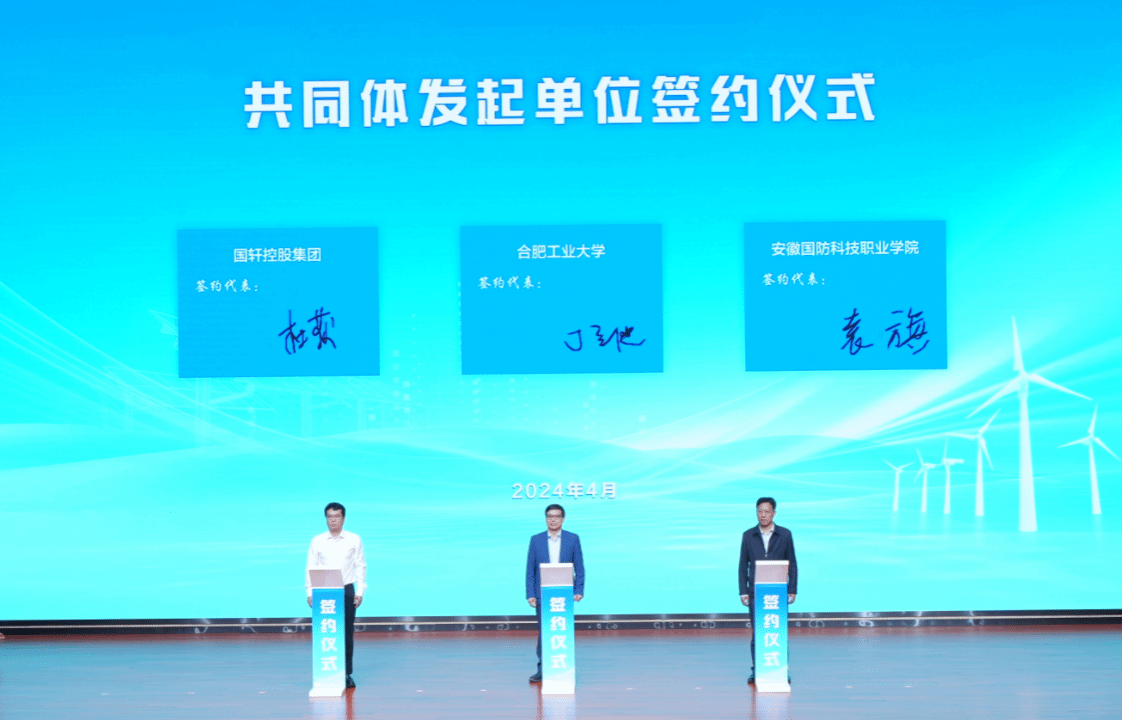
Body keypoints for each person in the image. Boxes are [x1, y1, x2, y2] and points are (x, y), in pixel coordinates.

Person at [306, 502, 366, 689]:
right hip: (324, 591)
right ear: (326, 519)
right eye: (329, 517)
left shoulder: (354, 539)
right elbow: (311, 566)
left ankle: (346, 674)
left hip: (346, 590)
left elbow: (360, 566)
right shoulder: (317, 541)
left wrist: (360, 591)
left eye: (337, 516)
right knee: (326, 632)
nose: (333, 520)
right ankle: (327, 673)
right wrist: (309, 591)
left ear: (344, 518)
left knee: (346, 633)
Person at [738, 496, 797, 685]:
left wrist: (792, 589)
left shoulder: (785, 534)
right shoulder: (748, 535)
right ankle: (757, 671)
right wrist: (743, 591)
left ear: (774, 513)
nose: (763, 515)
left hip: (778, 592)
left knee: (778, 632)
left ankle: (782, 671)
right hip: (756, 593)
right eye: (760, 511)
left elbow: (792, 563)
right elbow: (743, 565)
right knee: (758, 632)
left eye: (767, 511)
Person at [525, 503, 585, 683]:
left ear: (563, 519)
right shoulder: (536, 540)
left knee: (562, 630)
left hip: (564, 593)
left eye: (557, 516)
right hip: (542, 593)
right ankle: (542, 669)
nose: (553, 519)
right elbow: (530, 570)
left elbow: (579, 567)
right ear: (545, 519)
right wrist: (530, 593)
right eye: (549, 516)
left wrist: (579, 589)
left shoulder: (572, 539)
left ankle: (563, 668)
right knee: (545, 631)